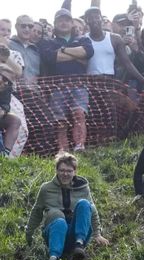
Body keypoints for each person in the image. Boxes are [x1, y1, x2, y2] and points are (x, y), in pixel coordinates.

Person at [26, 152, 110, 260]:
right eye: (62, 170)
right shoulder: (46, 189)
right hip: (54, 234)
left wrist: (97, 234)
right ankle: (53, 258)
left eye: (69, 171)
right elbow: (37, 212)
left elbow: (92, 210)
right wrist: (29, 234)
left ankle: (79, 244)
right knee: (58, 217)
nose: (65, 174)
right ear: (56, 170)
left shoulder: (83, 187)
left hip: (75, 234)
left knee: (84, 204)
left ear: (75, 172)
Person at [39, 8, 93, 152]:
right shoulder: (47, 42)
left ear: (72, 23)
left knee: (79, 114)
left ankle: (79, 146)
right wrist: (76, 55)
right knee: (60, 121)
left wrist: (61, 50)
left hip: (79, 85)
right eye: (60, 20)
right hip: (57, 87)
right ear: (55, 23)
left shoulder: (83, 39)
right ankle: (63, 150)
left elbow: (88, 52)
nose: (64, 23)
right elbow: (50, 58)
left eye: (67, 20)